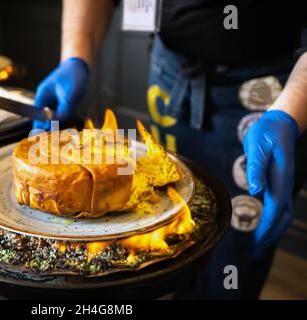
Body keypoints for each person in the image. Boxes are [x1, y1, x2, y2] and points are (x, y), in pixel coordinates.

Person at [33, 0, 307, 299]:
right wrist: (75, 57)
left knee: (231, 259)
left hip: (273, 90)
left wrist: (289, 114)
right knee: (170, 235)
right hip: (170, 72)